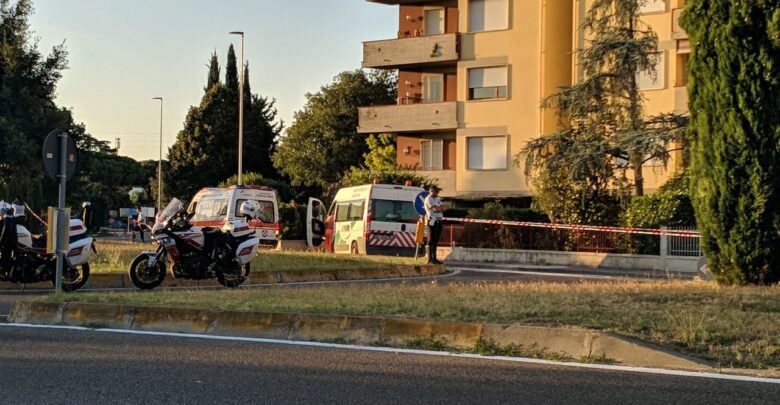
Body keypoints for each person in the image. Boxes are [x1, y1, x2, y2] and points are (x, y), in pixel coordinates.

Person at [424, 185, 445, 265]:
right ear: (431, 191)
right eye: (436, 191)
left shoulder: (436, 199)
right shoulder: (428, 199)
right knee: (431, 240)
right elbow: (435, 209)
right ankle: (430, 259)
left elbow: (443, 208)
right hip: (432, 221)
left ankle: (434, 258)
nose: (438, 193)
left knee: (435, 240)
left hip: (439, 221)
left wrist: (439, 208)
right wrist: (439, 208)